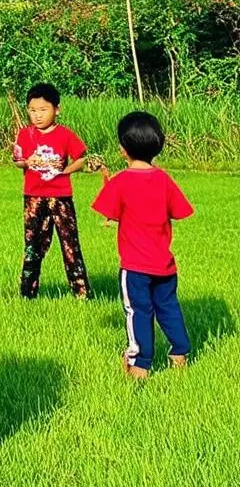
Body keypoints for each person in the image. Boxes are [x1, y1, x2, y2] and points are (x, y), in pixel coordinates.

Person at [92, 111, 193, 379]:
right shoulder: (164, 180)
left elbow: (107, 211)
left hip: (135, 267)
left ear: (123, 149)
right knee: (169, 307)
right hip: (165, 265)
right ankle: (179, 353)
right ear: (157, 144)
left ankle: (140, 364)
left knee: (137, 312)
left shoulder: (122, 182)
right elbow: (181, 211)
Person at [13, 83, 91, 299]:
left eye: (43, 110)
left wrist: (67, 170)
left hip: (61, 197)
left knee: (70, 243)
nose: (37, 116)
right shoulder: (24, 135)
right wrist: (28, 161)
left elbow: (82, 158)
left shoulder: (65, 135)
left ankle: (81, 292)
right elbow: (18, 161)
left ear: (57, 109)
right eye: (32, 110)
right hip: (33, 197)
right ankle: (28, 292)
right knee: (32, 244)